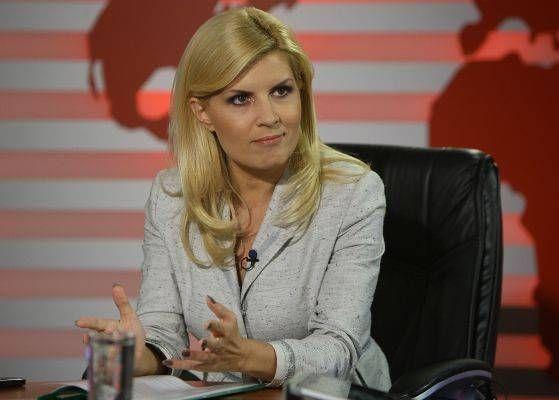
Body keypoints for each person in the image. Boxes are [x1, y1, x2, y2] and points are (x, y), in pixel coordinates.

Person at [75, 6, 391, 390]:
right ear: (202, 112)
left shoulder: (354, 193)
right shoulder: (172, 197)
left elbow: (340, 347)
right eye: (241, 99)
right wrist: (139, 356)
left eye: (281, 91)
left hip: (331, 394)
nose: (270, 116)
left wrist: (252, 357)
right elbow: (163, 328)